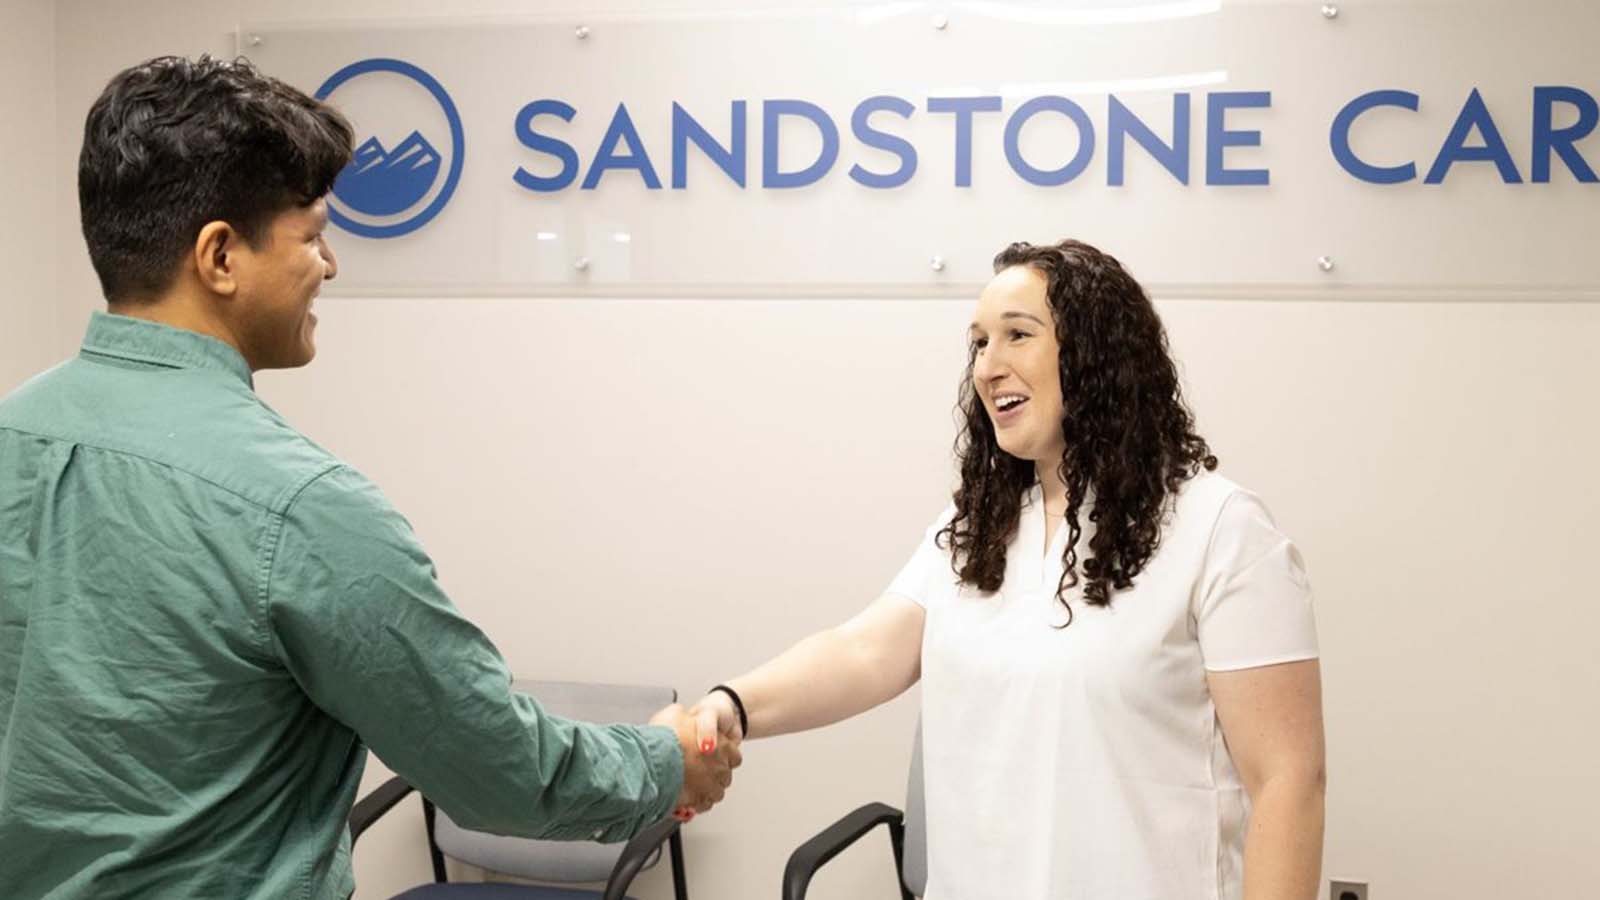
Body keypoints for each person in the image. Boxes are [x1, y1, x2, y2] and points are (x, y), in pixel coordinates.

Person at [0, 55, 737, 900]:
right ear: (219, 257)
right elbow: (497, 767)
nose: (331, 264)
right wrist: (668, 761)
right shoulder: (300, 509)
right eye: (311, 235)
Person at [687, 240, 1326, 899]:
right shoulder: (975, 531)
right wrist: (732, 705)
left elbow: (1289, 781)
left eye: (1017, 335)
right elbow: (865, 653)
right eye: (979, 344)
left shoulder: (1221, 530)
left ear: (1095, 352)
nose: (988, 367)